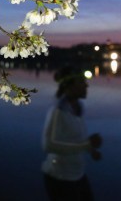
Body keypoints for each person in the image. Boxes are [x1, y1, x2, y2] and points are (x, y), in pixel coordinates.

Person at [41, 66, 102, 201]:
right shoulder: (58, 112)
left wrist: (91, 150)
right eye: (81, 82)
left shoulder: (78, 109)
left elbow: (75, 137)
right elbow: (48, 145)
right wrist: (86, 145)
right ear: (69, 86)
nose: (87, 86)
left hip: (78, 176)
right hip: (60, 179)